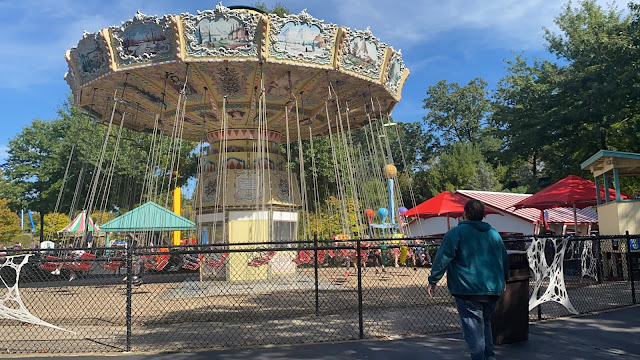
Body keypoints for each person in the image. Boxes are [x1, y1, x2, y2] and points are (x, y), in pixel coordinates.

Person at [427, 199, 509, 360]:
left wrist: (433, 279)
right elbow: (503, 259)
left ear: (465, 214)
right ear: (483, 215)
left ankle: (480, 357)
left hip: (468, 288)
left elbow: (443, 258)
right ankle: (489, 356)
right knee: (485, 324)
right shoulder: (494, 234)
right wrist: (504, 279)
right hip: (492, 287)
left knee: (473, 329)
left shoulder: (456, 233)